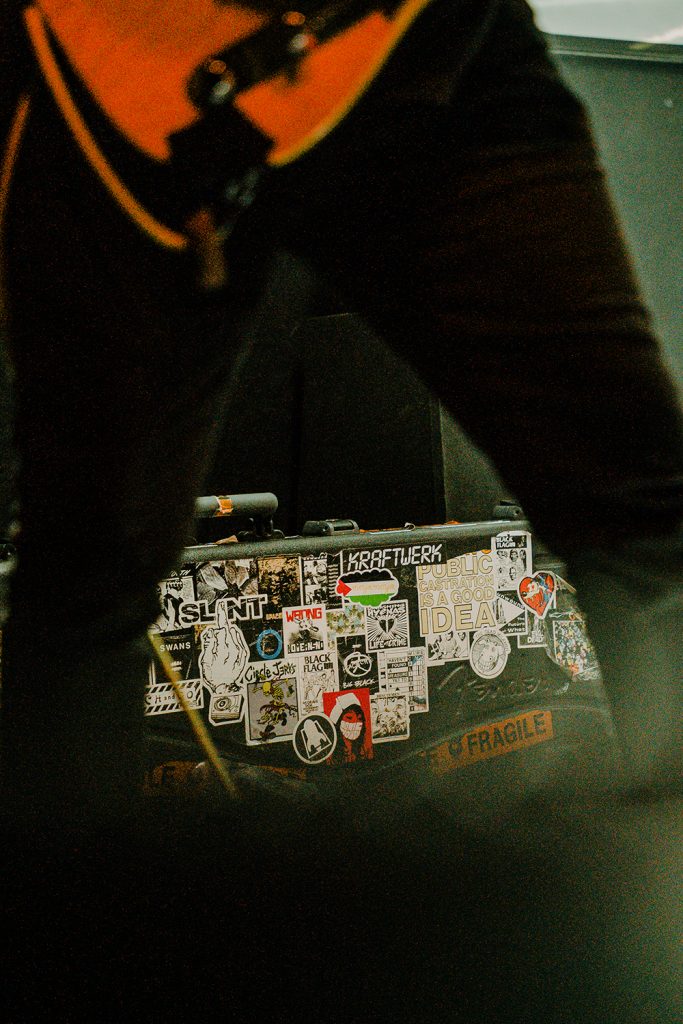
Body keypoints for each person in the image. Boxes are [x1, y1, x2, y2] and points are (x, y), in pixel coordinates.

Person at [0, 0, 681, 840]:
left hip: (424, 44)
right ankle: (64, 912)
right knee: (86, 576)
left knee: (643, 510)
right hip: (132, 83)